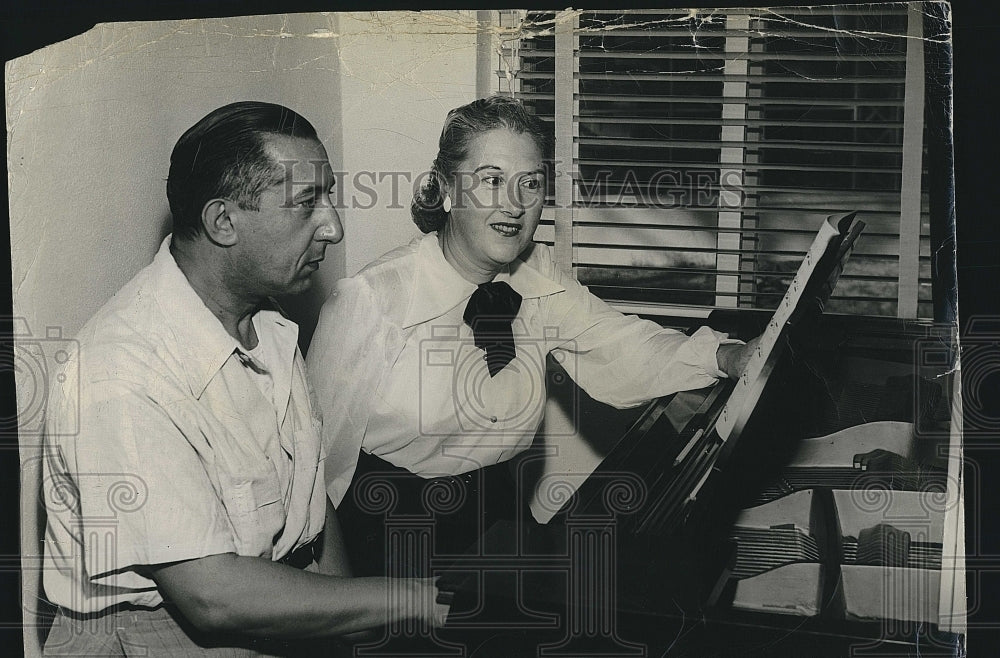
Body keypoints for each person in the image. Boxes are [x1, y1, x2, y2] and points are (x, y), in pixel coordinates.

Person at [40, 101, 448, 657]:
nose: (333, 225)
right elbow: (214, 600)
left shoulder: (270, 328)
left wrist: (351, 632)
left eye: (328, 196)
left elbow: (310, 510)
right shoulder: (118, 373)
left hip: (273, 609)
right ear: (223, 221)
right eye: (308, 202)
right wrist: (418, 600)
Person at [306, 96, 756, 578]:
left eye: (531, 184)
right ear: (447, 190)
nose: (515, 205)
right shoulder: (370, 299)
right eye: (492, 180)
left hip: (497, 515)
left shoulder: (537, 275)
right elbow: (314, 465)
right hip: (389, 535)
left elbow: (621, 344)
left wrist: (727, 355)